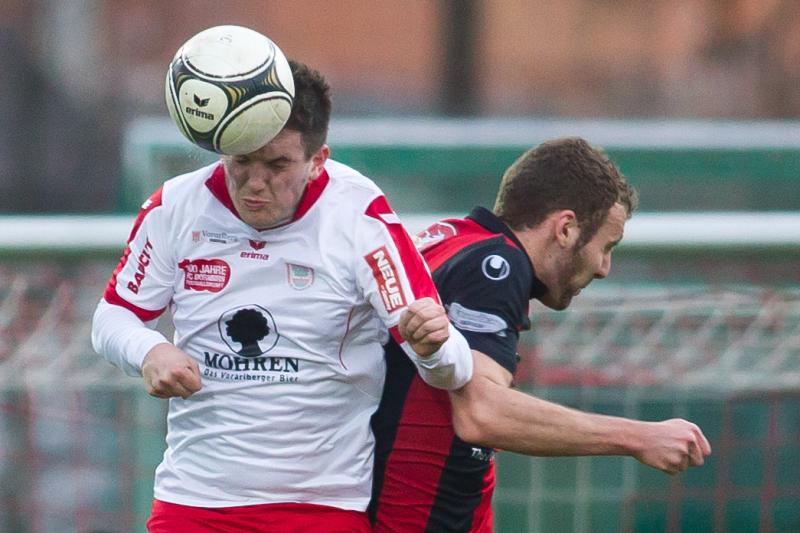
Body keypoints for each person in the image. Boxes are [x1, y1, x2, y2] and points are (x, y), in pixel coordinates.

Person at [91, 59, 473, 533]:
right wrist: (149, 349)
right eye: (241, 160)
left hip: (320, 507)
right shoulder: (175, 206)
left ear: (318, 160)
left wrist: (434, 347)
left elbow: (455, 368)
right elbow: (112, 318)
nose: (255, 182)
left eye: (277, 165)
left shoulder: (359, 216)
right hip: (193, 501)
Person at [369, 137, 712, 532]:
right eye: (606, 246)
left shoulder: (454, 240)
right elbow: (482, 413)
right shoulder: (495, 265)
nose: (604, 268)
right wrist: (637, 437)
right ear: (566, 229)